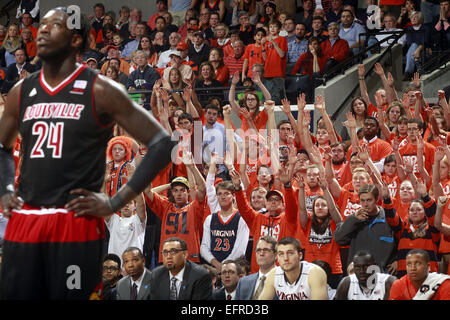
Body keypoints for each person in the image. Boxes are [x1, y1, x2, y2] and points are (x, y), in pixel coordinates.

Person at [0, 8, 176, 300]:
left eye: (53, 26)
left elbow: (162, 143)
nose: (41, 31)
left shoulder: (101, 89)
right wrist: (6, 190)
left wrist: (115, 201)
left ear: (75, 39)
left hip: (75, 219)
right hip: (26, 218)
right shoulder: (22, 90)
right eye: (40, 25)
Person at [334, 184, 397, 273]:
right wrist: (354, 219)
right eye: (362, 201)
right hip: (358, 275)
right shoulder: (354, 219)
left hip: (381, 275)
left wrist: (398, 259)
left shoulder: (388, 218)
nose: (365, 204)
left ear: (376, 200)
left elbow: (400, 240)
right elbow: (339, 239)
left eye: (369, 200)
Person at [257, 237, 328, 300]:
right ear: (277, 257)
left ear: (300, 256)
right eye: (281, 254)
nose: (285, 258)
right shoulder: (274, 274)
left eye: (290, 253)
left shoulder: (315, 273)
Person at [200, 181, 250, 271]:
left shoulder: (242, 218)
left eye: (226, 194)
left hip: (235, 267)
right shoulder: (210, 219)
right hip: (213, 267)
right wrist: (216, 264)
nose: (223, 197)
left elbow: (240, 250)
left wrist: (224, 266)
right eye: (219, 194)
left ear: (233, 196)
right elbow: (204, 247)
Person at [148, 237, 213, 300]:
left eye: (173, 252)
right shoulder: (156, 275)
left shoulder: (200, 276)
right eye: (165, 253)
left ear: (185, 254)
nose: (168, 256)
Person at [105, 193, 147, 262]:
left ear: (135, 206)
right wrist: (103, 183)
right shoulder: (113, 220)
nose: (126, 205)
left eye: (130, 202)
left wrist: (136, 183)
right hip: (115, 267)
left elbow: (141, 203)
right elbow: (104, 205)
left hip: (133, 265)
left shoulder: (137, 220)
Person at [235, 236, 277, 300]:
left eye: (266, 250)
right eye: (258, 250)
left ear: (276, 255)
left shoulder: (284, 281)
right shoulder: (243, 282)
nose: (261, 253)